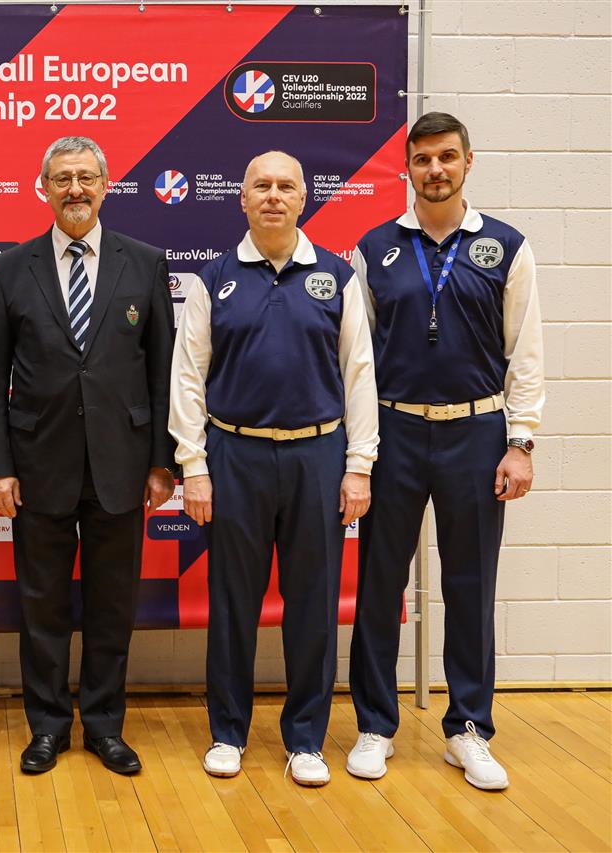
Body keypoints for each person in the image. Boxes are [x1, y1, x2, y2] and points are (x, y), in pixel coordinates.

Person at [169, 150, 378, 786]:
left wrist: (360, 465)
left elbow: (359, 375)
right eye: (261, 185)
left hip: (320, 456)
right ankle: (227, 732)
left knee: (313, 603)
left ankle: (306, 739)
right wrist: (194, 465)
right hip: (235, 455)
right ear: (242, 198)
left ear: (304, 198)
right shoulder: (214, 278)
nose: (273, 196)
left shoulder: (337, 277)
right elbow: (188, 377)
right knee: (233, 601)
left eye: (286, 186)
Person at [346, 113, 543, 790]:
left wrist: (521, 442)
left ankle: (469, 729)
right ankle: (375, 725)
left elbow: (525, 353)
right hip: (394, 432)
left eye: (447, 157)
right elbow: (357, 362)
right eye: (423, 159)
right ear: (406, 167)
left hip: (476, 434)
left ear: (468, 162)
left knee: (470, 587)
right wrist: (360, 451)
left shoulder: (506, 247)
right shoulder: (374, 248)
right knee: (379, 586)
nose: (435, 170)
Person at [0, 136, 175, 776]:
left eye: (86, 177)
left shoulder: (144, 263)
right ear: (44, 188)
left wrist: (162, 461)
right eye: (61, 178)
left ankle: (105, 726)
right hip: (39, 465)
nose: (74, 189)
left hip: (123, 465)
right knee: (43, 607)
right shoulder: (11, 269)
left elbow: (162, 373)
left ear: (106, 185)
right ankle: (47, 727)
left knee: (112, 607)